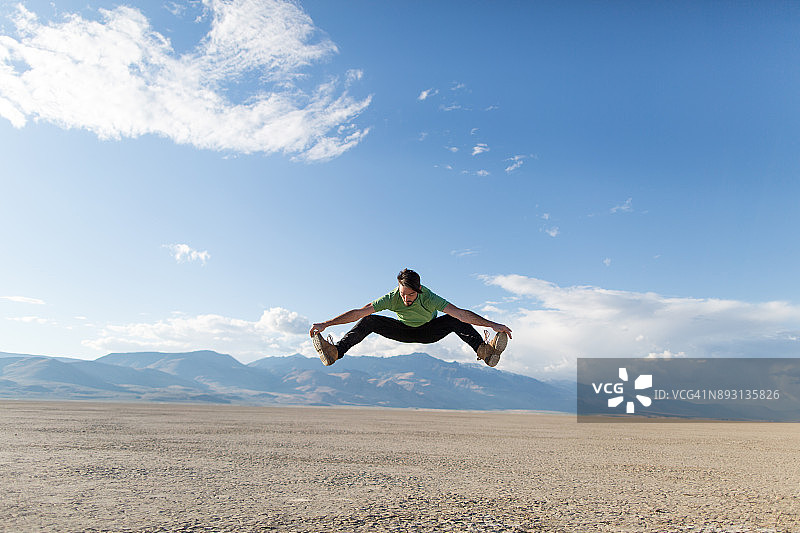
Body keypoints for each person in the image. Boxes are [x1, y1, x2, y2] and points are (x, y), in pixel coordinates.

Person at [309, 268, 512, 367]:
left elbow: (461, 313)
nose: (406, 299)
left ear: (419, 289)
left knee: (454, 319)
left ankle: (485, 351)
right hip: (403, 331)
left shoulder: (429, 297)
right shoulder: (392, 297)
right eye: (403, 294)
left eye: (411, 295)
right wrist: (327, 324)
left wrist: (493, 324)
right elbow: (358, 313)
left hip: (429, 331)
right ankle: (335, 352)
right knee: (369, 319)